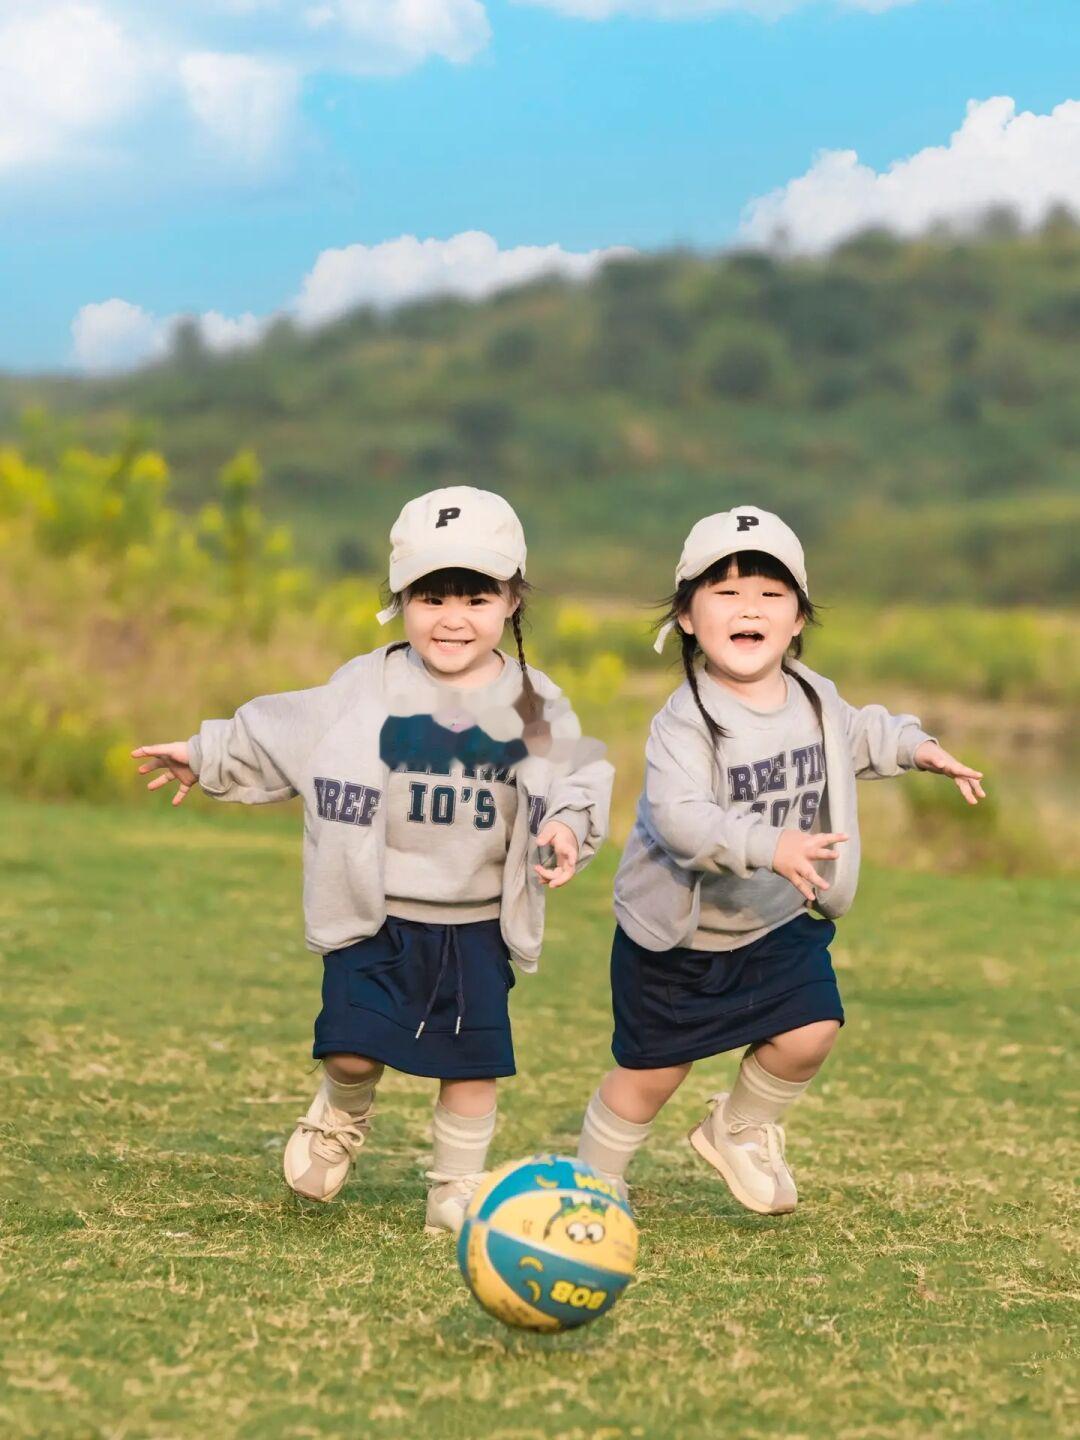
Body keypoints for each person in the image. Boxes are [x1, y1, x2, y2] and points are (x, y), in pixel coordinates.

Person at [132, 486, 612, 1234]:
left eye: (476, 596)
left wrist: (569, 830)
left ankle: (455, 1186)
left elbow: (576, 779)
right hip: (375, 912)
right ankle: (340, 1114)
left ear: (512, 600)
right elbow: (279, 729)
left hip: (476, 921)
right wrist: (204, 753)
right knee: (354, 1051)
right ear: (400, 599)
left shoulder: (533, 700)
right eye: (431, 595)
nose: (453, 617)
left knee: (471, 1066)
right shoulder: (369, 683)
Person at [576, 505, 984, 1216]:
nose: (749, 608)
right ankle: (592, 1182)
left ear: (797, 619)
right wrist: (772, 844)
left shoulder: (814, 697)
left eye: (770, 595)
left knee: (812, 1030)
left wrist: (917, 748)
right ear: (686, 617)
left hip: (773, 921)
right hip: (682, 935)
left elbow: (859, 734)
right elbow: (680, 819)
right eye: (726, 593)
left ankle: (736, 1129)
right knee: (651, 1075)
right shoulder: (685, 720)